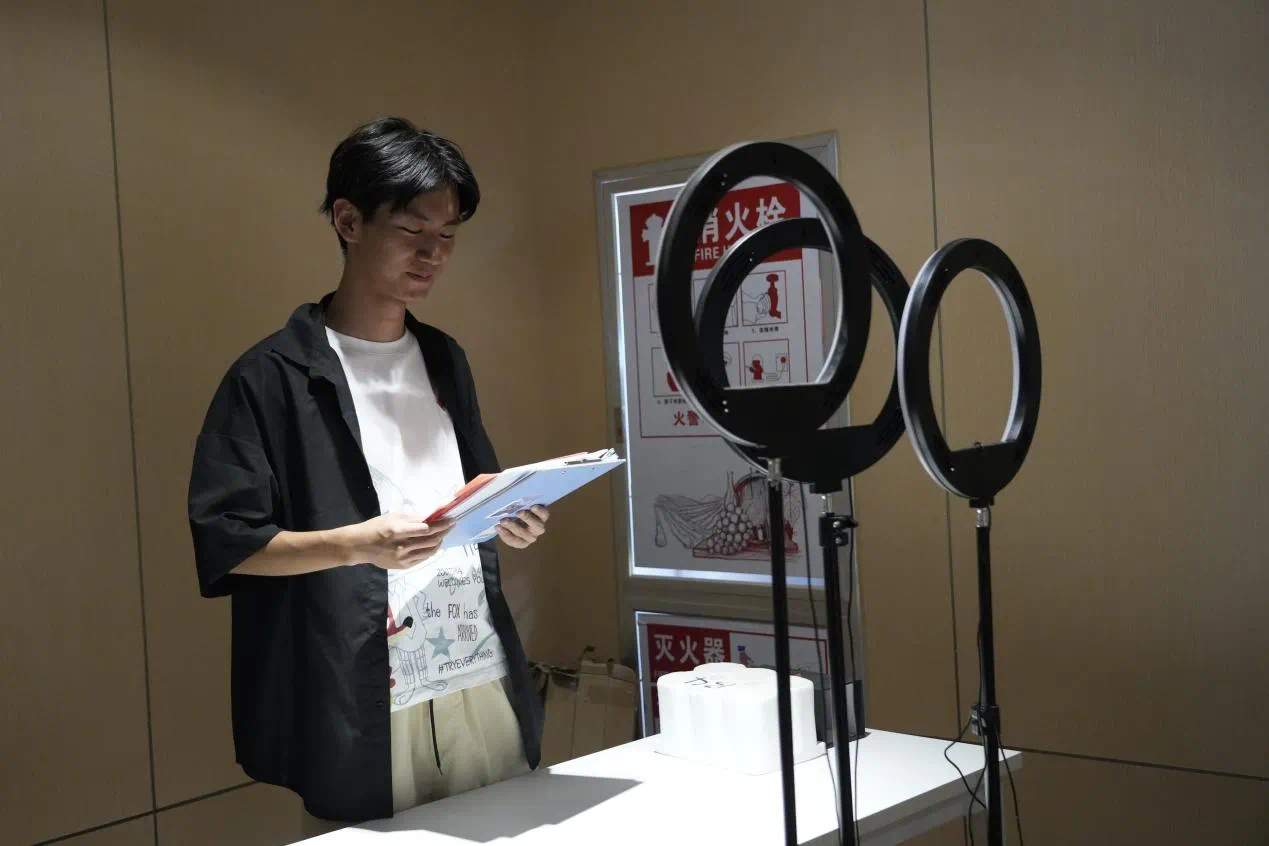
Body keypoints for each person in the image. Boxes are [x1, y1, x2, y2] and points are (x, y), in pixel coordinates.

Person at [187, 117, 548, 828]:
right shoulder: (272, 377)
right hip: (359, 684)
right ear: (348, 221)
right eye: (412, 231)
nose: (433, 254)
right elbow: (228, 542)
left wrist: (514, 518)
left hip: (472, 663)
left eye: (447, 236)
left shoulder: (444, 358)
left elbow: (476, 495)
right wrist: (357, 544)